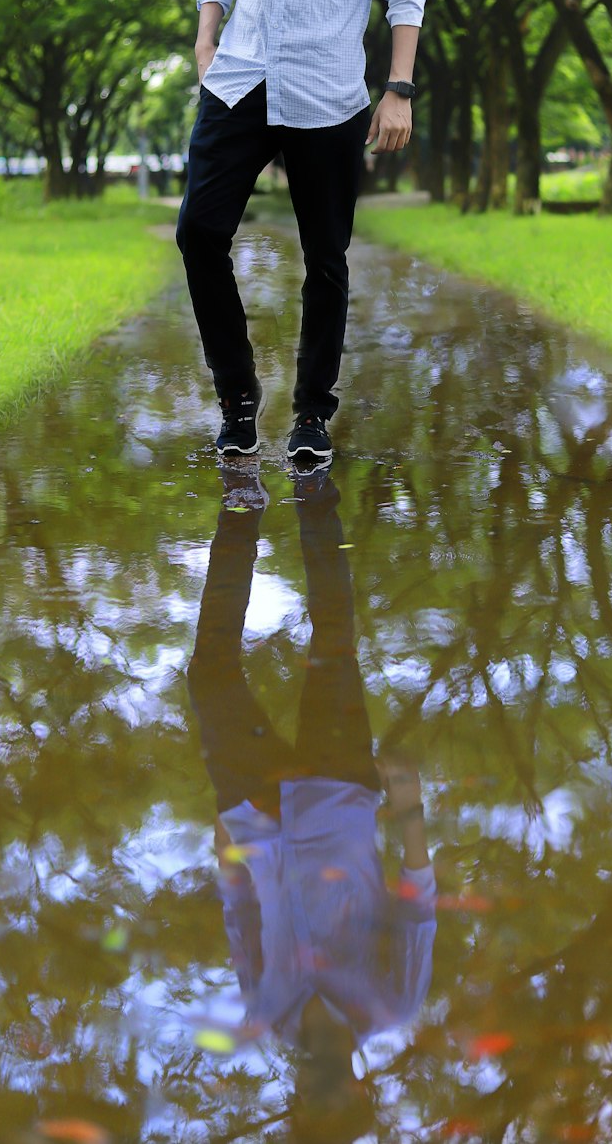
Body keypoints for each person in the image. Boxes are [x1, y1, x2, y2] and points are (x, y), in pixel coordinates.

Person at [176, 0, 427, 463]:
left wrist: (398, 88)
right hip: (240, 78)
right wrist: (206, 34)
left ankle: (313, 415)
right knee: (198, 234)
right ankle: (237, 399)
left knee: (327, 257)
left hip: (326, 89)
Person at [186, 471, 436, 1140]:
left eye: (306, 1110)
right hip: (340, 787)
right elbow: (415, 907)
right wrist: (409, 811)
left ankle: (241, 507)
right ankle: (314, 487)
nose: (315, 1094)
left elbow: (242, 925)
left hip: (253, 812)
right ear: (358, 1094)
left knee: (209, 675)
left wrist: (228, 862)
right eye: (333, 1106)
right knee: (332, 637)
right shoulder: (391, 1005)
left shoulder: (268, 1013)